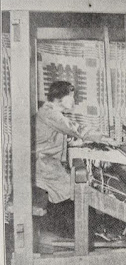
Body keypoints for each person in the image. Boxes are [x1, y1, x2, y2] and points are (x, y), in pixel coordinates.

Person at [32, 80, 110, 243]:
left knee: (74, 191)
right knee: (79, 192)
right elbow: (75, 128)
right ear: (60, 98)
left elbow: (55, 136)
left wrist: (73, 142)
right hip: (44, 167)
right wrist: (104, 138)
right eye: (71, 97)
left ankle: (85, 233)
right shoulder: (50, 113)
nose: (74, 101)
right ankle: (86, 237)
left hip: (47, 164)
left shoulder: (49, 112)